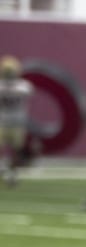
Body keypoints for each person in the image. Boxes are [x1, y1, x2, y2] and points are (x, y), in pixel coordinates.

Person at [0, 54, 34, 187]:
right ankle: (5, 168)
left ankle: (12, 174)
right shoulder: (23, 86)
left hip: (16, 122)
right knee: (13, 149)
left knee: (16, 149)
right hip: (5, 121)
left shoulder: (23, 86)